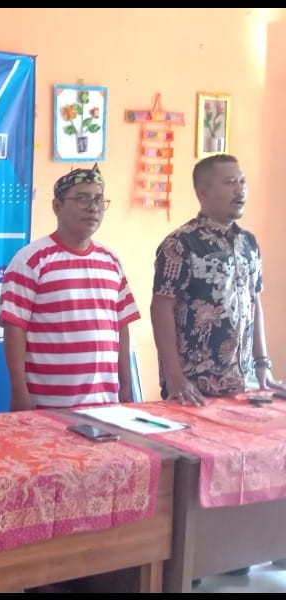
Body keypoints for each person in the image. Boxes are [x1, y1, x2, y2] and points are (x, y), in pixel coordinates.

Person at [150, 153, 286, 578]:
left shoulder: (249, 243)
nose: (240, 190)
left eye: (242, 181)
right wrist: (174, 375)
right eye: (229, 182)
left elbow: (255, 304)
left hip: (240, 383)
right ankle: (192, 563)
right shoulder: (180, 244)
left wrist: (263, 365)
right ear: (202, 190)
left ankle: (238, 552)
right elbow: (160, 309)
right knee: (196, 477)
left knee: (248, 463)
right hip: (194, 386)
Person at [0, 164, 141, 410]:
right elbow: (14, 329)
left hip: (105, 404)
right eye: (82, 199)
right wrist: (19, 392)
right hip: (49, 404)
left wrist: (126, 385)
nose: (93, 207)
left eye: (98, 199)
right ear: (57, 206)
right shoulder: (31, 260)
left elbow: (121, 325)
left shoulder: (111, 260)